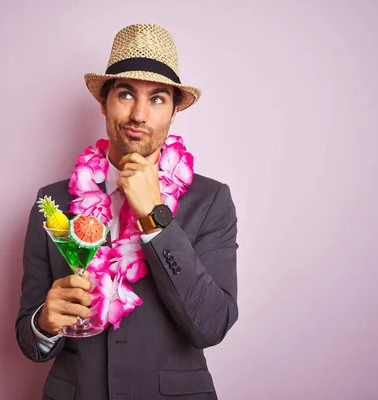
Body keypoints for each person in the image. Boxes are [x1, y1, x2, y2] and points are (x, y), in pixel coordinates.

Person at [16, 23, 239, 400]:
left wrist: (155, 214)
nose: (139, 114)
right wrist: (44, 322)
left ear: (172, 112)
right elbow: (29, 338)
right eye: (125, 94)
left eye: (156, 99)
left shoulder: (211, 201)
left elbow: (212, 325)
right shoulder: (52, 205)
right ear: (103, 102)